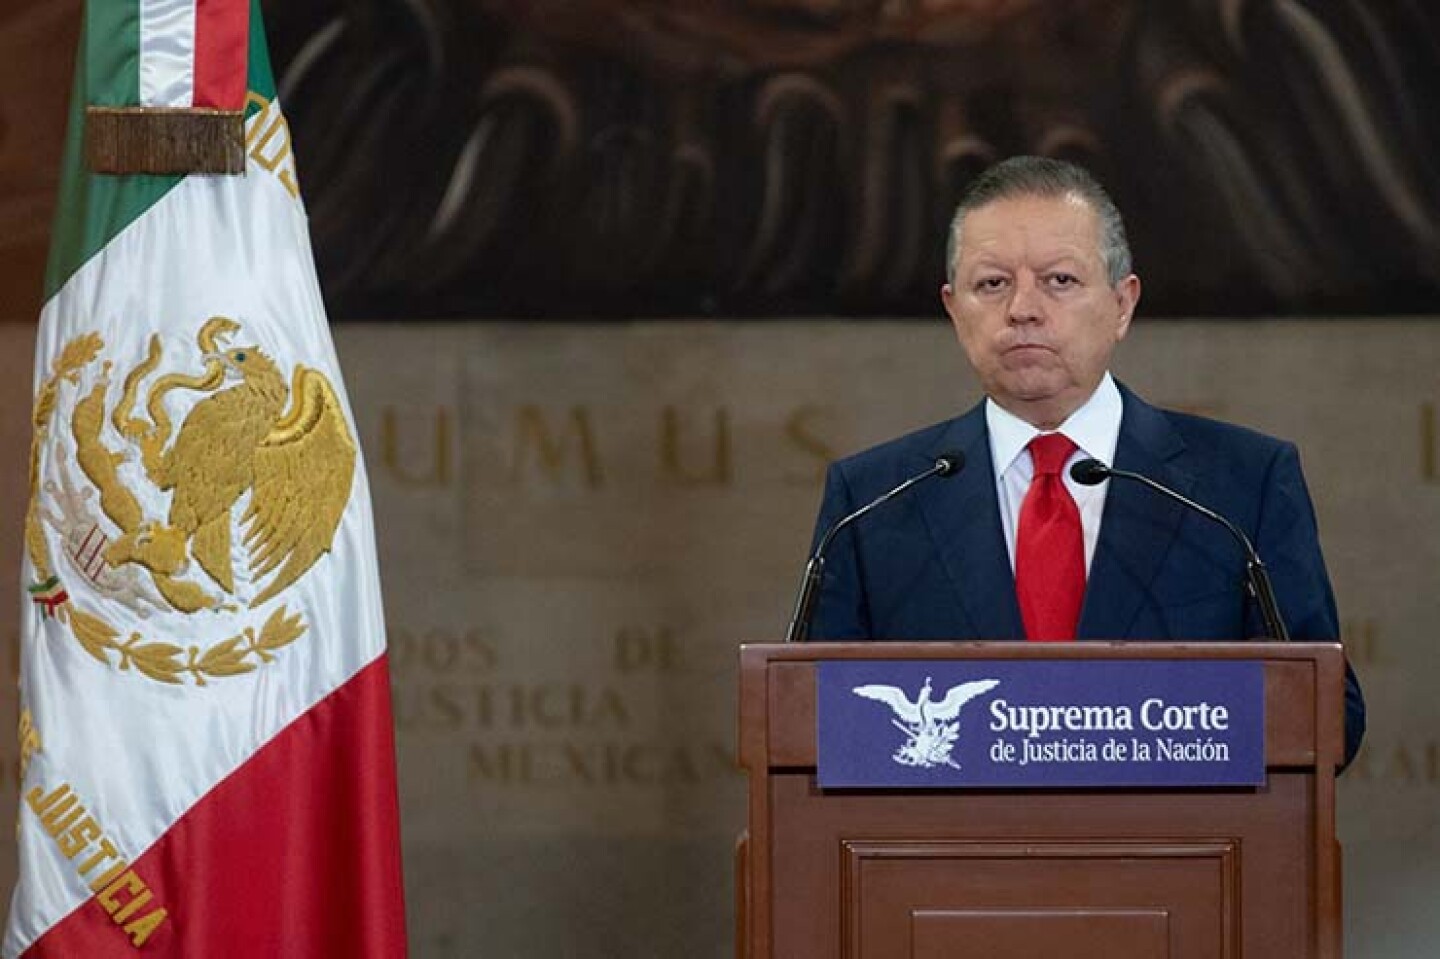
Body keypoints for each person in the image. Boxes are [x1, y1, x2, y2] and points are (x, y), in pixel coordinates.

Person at [806, 155, 1365, 766]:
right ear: (952, 307)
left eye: (1060, 281)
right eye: (992, 284)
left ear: (1123, 304)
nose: (1022, 309)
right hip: (954, 859)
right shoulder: (871, 502)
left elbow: (1327, 713)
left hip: (1179, 856)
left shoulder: (1241, 487)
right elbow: (805, 722)